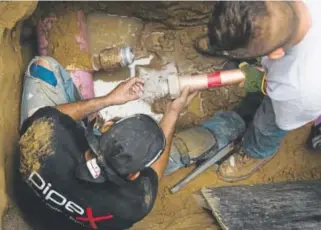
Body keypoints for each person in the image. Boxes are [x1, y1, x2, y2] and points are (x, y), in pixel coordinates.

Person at [17, 56, 197, 230]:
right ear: (134, 176)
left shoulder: (47, 137)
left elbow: (50, 114)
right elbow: (155, 174)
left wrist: (108, 100)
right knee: (174, 156)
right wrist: (173, 112)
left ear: (107, 126)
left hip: (30, 206)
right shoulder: (134, 205)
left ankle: (89, 116)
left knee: (42, 65)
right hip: (58, 223)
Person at [194, 1, 321, 182]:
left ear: (276, 54)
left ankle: (257, 151)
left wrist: (265, 83)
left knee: (267, 125)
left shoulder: (298, 89)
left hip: (300, 97)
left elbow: (284, 122)